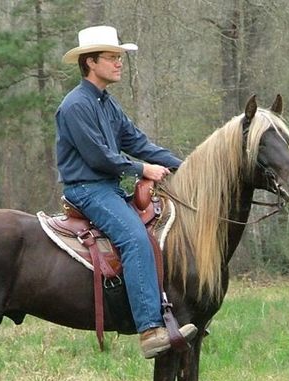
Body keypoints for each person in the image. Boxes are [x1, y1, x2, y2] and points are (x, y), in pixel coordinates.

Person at [56, 25, 196, 358]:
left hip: (108, 187)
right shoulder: (75, 106)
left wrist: (188, 167)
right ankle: (150, 330)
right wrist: (141, 169)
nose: (119, 63)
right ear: (90, 62)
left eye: (120, 57)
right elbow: (98, 157)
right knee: (135, 238)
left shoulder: (107, 104)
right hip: (88, 189)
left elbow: (138, 143)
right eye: (112, 57)